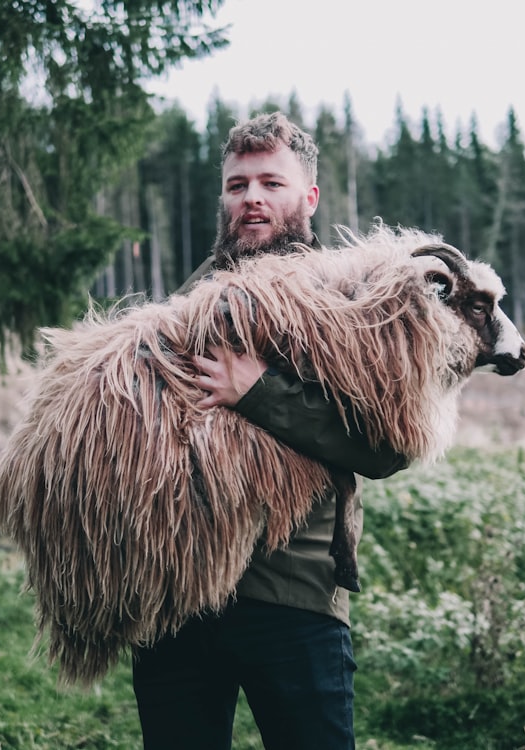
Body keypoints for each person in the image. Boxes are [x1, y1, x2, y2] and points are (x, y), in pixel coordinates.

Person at [131, 111, 408, 750]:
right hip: (180, 595)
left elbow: (387, 446)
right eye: (237, 185)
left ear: (308, 195)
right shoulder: (192, 295)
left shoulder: (352, 299)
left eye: (270, 183)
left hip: (293, 595)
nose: (251, 198)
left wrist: (256, 392)